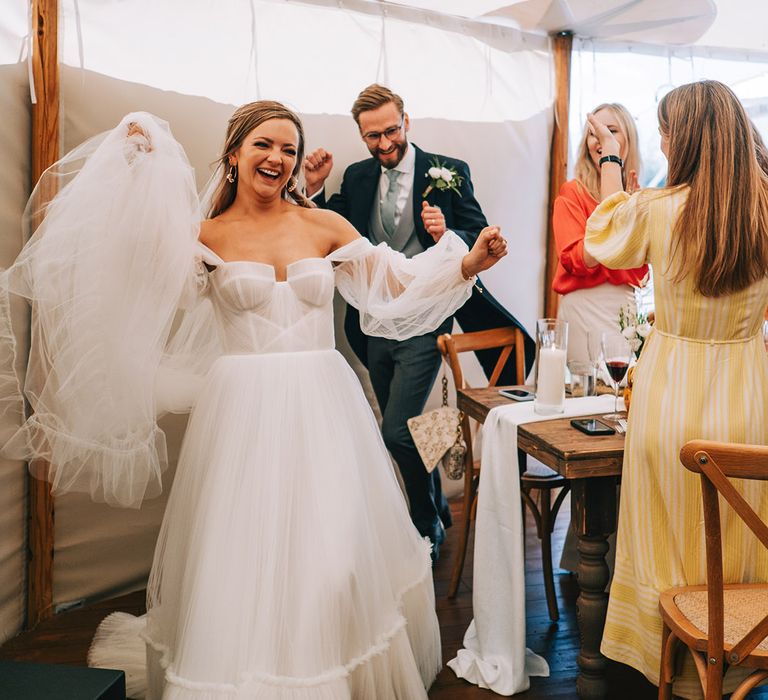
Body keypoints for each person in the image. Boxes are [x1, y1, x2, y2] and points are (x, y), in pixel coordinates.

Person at [0, 102, 508, 699]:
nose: (278, 158)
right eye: (265, 145)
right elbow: (139, 279)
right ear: (235, 152)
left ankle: (331, 673)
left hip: (322, 406)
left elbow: (390, 284)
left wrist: (467, 262)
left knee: (332, 554)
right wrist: (135, 170)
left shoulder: (322, 225)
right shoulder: (202, 237)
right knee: (244, 555)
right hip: (243, 412)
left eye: (289, 149)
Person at [584, 80, 768, 697]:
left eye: (664, 130)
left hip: (671, 397)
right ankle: (737, 663)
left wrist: (611, 158)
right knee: (739, 533)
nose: (660, 139)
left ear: (681, 138)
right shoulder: (766, 206)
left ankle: (676, 665)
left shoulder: (657, 209)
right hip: (749, 392)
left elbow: (604, 237)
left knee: (666, 539)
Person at [303, 84, 528, 561]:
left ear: (407, 122)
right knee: (401, 423)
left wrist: (447, 234)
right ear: (360, 135)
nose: (383, 145)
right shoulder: (358, 176)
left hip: (427, 322)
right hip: (372, 324)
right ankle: (436, 510)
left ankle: (424, 524)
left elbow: (477, 228)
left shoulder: (448, 171)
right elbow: (330, 232)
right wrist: (318, 190)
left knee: (394, 433)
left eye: (390, 132)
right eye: (371, 137)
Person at [552, 103, 648, 366]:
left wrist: (634, 215)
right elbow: (574, 259)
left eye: (611, 130)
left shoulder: (639, 197)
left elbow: (640, 271)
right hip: (585, 307)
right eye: (594, 132)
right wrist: (617, 223)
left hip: (626, 311)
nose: (601, 138)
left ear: (628, 139)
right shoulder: (573, 192)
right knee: (590, 397)